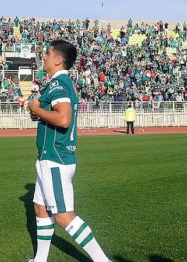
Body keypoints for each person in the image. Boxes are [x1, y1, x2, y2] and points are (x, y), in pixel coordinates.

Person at [28, 40, 111, 262]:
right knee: (40, 208)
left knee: (64, 216)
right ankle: (40, 260)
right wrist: (39, 112)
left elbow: (63, 119)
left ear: (58, 59)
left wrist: (35, 107)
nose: (44, 57)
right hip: (51, 156)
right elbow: (55, 114)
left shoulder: (58, 84)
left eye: (48, 53)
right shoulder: (61, 83)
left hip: (55, 157)